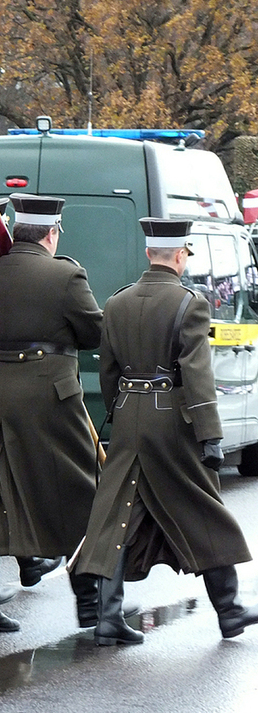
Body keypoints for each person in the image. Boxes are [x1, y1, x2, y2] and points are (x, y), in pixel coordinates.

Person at [74, 217, 258, 644]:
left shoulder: (117, 302)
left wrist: (121, 414)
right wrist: (210, 436)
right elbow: (197, 373)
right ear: (180, 255)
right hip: (170, 419)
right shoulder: (189, 303)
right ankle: (229, 611)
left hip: (130, 412)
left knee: (114, 514)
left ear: (147, 254)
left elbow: (108, 372)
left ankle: (107, 617)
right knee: (199, 507)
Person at [0, 193, 103, 633]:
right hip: (50, 393)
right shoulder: (65, 274)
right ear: (51, 232)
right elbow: (93, 333)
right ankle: (91, 604)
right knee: (82, 489)